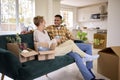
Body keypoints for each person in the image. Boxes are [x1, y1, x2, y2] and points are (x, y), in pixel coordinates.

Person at [33, 16, 100, 80]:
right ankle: (86, 56)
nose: (55, 21)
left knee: (70, 42)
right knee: (73, 48)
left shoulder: (45, 31)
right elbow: (43, 44)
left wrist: (57, 41)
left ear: (61, 21)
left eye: (57, 20)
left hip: (55, 46)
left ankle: (86, 59)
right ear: (41, 22)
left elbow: (70, 37)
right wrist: (55, 40)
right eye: (44, 21)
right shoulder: (41, 31)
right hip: (49, 50)